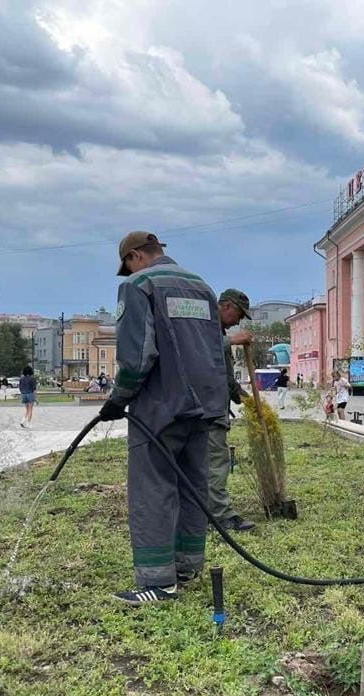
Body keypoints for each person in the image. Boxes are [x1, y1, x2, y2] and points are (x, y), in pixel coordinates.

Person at [98, 231, 228, 606]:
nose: (127, 273)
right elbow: (214, 348)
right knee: (191, 484)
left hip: (160, 406)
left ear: (136, 256)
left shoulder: (141, 285)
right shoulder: (202, 288)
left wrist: (118, 398)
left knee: (152, 488)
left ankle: (158, 582)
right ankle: (187, 566)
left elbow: (138, 354)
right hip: (204, 406)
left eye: (127, 266)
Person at [208, 288, 256, 533]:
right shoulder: (205, 327)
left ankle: (202, 512)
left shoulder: (217, 331)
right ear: (226, 306)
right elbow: (198, 350)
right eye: (239, 314)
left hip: (211, 408)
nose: (239, 321)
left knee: (206, 464)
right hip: (205, 410)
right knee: (217, 462)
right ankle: (220, 516)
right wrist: (232, 340)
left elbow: (226, 378)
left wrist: (248, 401)